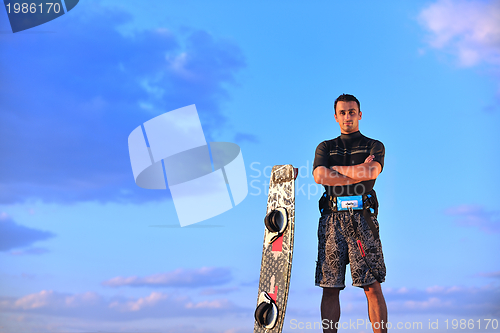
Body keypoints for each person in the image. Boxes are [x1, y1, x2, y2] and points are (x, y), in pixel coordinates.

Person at [312, 94, 388, 333]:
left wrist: (335, 169)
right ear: (336, 117)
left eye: (352, 112)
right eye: (343, 112)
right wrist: (357, 171)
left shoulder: (374, 145)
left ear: (360, 114)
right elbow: (319, 176)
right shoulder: (326, 146)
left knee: (371, 285)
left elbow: (372, 171)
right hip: (332, 219)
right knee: (330, 286)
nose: (347, 116)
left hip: (362, 219)